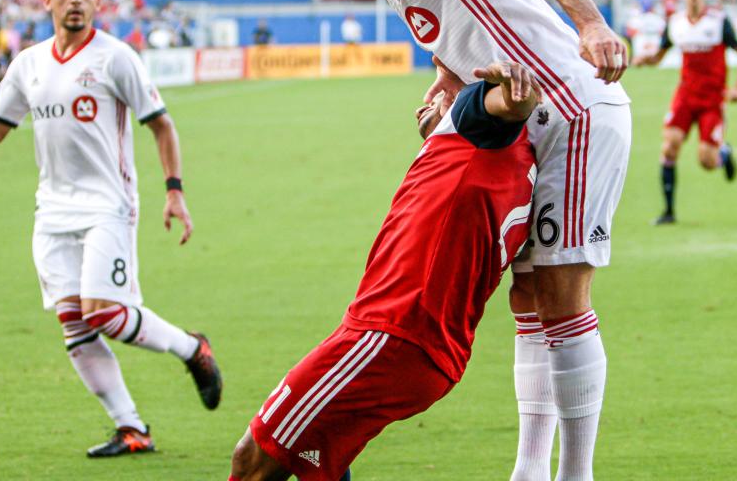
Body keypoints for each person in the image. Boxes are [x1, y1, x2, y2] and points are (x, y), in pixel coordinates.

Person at [278, 0, 631, 481]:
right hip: (524, 121)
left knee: (562, 298)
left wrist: (592, 25)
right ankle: (529, 470)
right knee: (526, 299)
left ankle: (575, 474)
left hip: (574, 109)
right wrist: (446, 80)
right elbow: (462, 15)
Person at [0, 0, 222, 458]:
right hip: (51, 212)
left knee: (104, 313)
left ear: (97, 1)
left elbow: (161, 124)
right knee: (75, 325)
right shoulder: (28, 64)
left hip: (108, 206)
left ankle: (192, 349)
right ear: (48, 1)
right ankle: (132, 428)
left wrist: (174, 190)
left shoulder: (116, 58)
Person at [230, 61, 541, 481]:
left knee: (254, 458)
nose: (432, 88)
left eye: (442, 70)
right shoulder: (511, 164)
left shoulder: (476, 118)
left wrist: (513, 94)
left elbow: (508, 105)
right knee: (319, 455)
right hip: (418, 344)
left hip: (392, 333)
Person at [633, 0, 737, 225]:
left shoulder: (719, 21)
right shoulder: (676, 22)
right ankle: (668, 211)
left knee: (707, 162)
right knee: (669, 145)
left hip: (712, 100)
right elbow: (660, 56)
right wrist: (645, 59)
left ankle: (724, 153)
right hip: (685, 96)